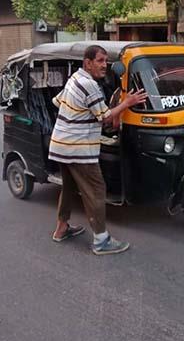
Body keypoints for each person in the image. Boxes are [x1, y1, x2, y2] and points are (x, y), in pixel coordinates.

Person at [49, 45, 147, 255]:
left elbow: (56, 101)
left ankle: (61, 228)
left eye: (105, 61)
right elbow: (105, 117)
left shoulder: (74, 78)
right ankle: (101, 240)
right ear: (88, 62)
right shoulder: (89, 85)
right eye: (100, 61)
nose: (105, 65)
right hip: (78, 148)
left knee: (68, 187)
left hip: (61, 144)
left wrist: (80, 116)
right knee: (96, 189)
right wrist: (128, 102)